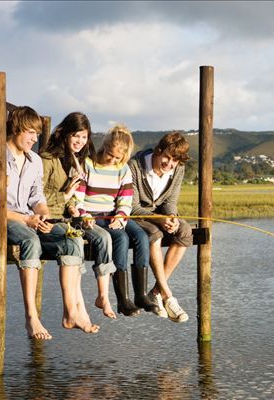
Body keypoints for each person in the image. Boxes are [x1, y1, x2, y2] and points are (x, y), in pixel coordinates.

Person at [0, 106, 99, 340]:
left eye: (37, 134)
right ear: (16, 129)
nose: (34, 139)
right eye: (30, 132)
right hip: (3, 219)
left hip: (29, 218)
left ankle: (71, 311)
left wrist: (43, 215)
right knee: (30, 239)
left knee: (70, 238)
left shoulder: (34, 161)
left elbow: (37, 197)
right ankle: (31, 316)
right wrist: (26, 220)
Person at [72, 124, 158, 317]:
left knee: (141, 237)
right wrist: (83, 214)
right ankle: (122, 299)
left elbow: (125, 199)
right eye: (109, 154)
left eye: (117, 158)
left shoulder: (123, 169)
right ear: (105, 146)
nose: (111, 159)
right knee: (121, 238)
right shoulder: (88, 164)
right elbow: (77, 197)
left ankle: (141, 294)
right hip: (92, 216)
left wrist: (121, 216)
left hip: (113, 214)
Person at [40, 112, 118, 319]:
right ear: (64, 133)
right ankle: (75, 310)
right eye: (76, 135)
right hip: (51, 218)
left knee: (104, 237)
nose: (80, 141)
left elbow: (74, 195)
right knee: (74, 241)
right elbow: (36, 196)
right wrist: (64, 197)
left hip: (70, 217)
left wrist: (75, 206)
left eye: (84, 137)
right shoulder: (48, 158)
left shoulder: (77, 160)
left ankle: (103, 296)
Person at [128, 131, 192, 323]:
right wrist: (160, 220)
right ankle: (168, 295)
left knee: (185, 230)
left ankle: (155, 291)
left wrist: (171, 217)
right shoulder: (135, 166)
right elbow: (132, 207)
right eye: (167, 157)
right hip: (137, 216)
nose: (169, 164)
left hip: (160, 216)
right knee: (155, 233)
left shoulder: (177, 169)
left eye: (175, 161)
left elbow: (171, 201)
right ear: (158, 150)